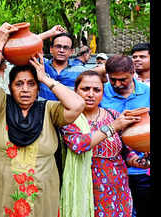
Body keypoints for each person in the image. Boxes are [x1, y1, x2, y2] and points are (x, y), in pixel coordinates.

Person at [0, 22, 85, 217]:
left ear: (38, 88)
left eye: (31, 84)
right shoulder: (2, 106)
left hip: (42, 195)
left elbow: (78, 105)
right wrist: (1, 41)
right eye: (19, 84)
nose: (25, 89)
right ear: (10, 88)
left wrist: (45, 78)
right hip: (3, 195)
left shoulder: (50, 110)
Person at [60, 70, 140, 217]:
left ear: (103, 93)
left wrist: (138, 161)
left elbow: (127, 151)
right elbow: (79, 145)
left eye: (97, 90)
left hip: (118, 189)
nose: (91, 94)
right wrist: (112, 127)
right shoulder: (69, 118)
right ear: (75, 91)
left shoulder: (112, 115)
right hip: (86, 189)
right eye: (85, 89)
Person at [99, 55, 150, 217]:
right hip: (110, 167)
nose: (117, 84)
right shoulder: (100, 92)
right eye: (112, 80)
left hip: (142, 169)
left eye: (122, 80)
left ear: (133, 72)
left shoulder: (147, 92)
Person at [38, 32, 87, 100]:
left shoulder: (80, 71)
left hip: (69, 109)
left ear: (71, 51)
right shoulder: (41, 65)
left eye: (66, 47)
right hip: (44, 109)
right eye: (58, 46)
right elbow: (23, 45)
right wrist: (50, 32)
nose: (61, 50)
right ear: (51, 49)